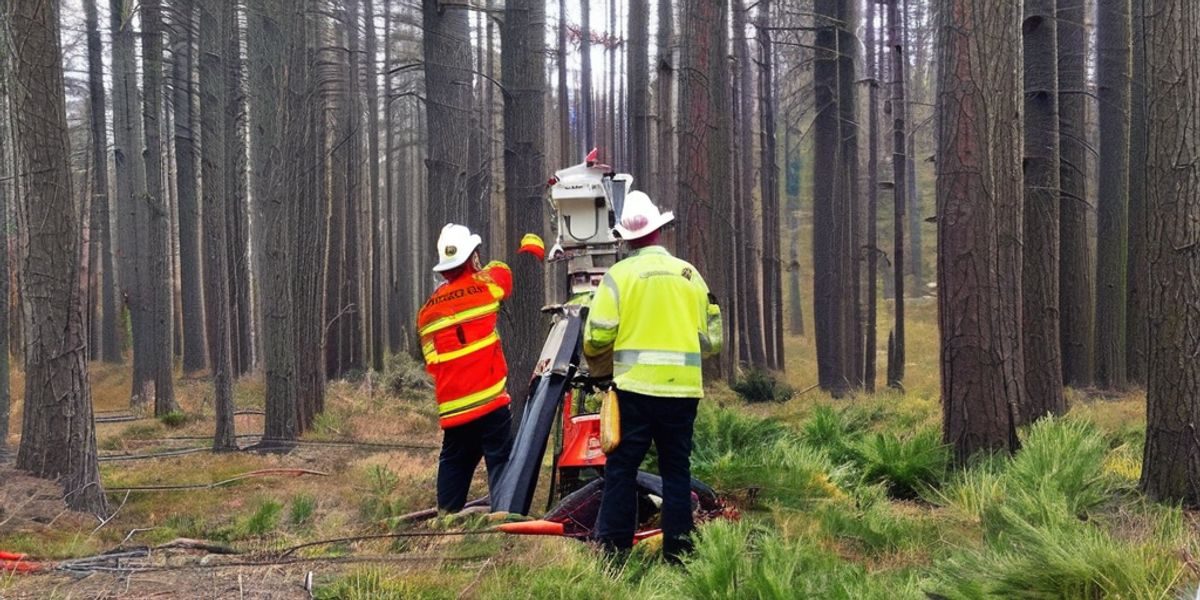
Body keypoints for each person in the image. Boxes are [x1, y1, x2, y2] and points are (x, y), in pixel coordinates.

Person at [583, 191, 723, 563]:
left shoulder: (619, 276)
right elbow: (713, 341)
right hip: (683, 393)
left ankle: (613, 554)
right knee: (677, 472)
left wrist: (602, 357)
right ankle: (680, 554)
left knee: (622, 470)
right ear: (658, 231)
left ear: (627, 238)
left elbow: (596, 337)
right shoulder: (689, 274)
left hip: (634, 391)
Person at [417, 223, 516, 513]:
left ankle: (447, 520)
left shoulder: (427, 311)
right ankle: (503, 519)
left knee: (454, 463)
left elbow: (431, 360)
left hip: (454, 409)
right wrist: (480, 266)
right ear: (472, 257)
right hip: (490, 401)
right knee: (499, 462)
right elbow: (503, 274)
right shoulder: (485, 286)